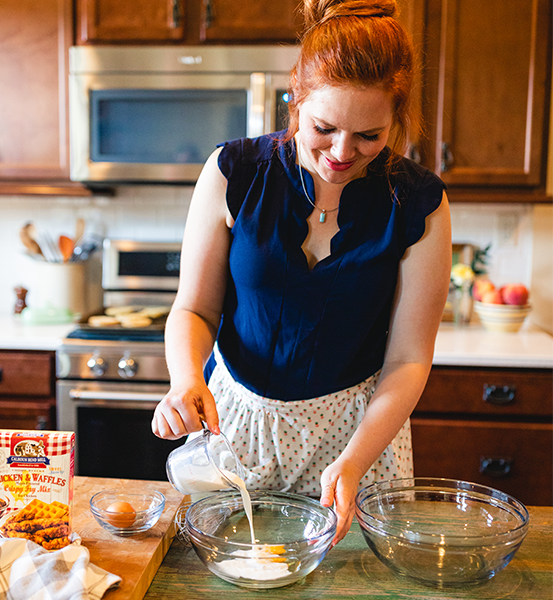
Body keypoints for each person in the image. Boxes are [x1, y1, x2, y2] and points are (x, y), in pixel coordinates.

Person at [152, 0, 452, 546]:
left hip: (358, 436)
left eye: (370, 135)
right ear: (297, 99)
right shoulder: (233, 173)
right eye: (324, 127)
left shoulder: (418, 201)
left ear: (396, 121)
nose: (342, 151)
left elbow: (409, 359)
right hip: (237, 427)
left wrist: (355, 461)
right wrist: (185, 379)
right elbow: (194, 309)